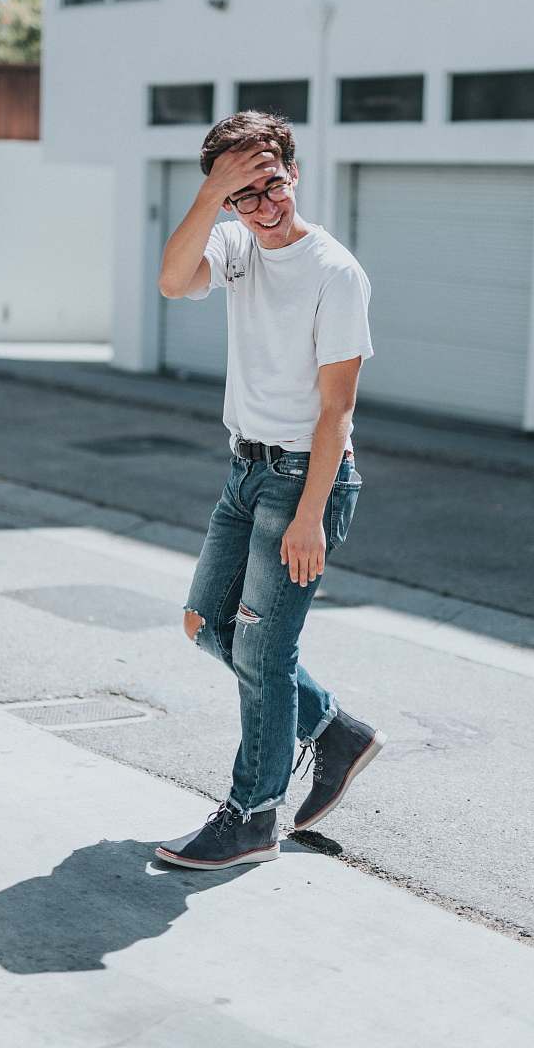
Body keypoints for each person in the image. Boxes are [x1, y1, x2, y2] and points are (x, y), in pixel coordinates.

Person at [155, 110, 386, 870]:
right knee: (205, 623)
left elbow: (337, 409)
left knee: (264, 647)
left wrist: (311, 517)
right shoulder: (231, 246)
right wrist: (214, 193)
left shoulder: (335, 271)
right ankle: (335, 731)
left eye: (272, 185)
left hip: (304, 479)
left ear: (294, 175)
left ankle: (254, 814)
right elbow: (170, 279)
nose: (263, 207)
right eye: (244, 195)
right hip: (245, 470)